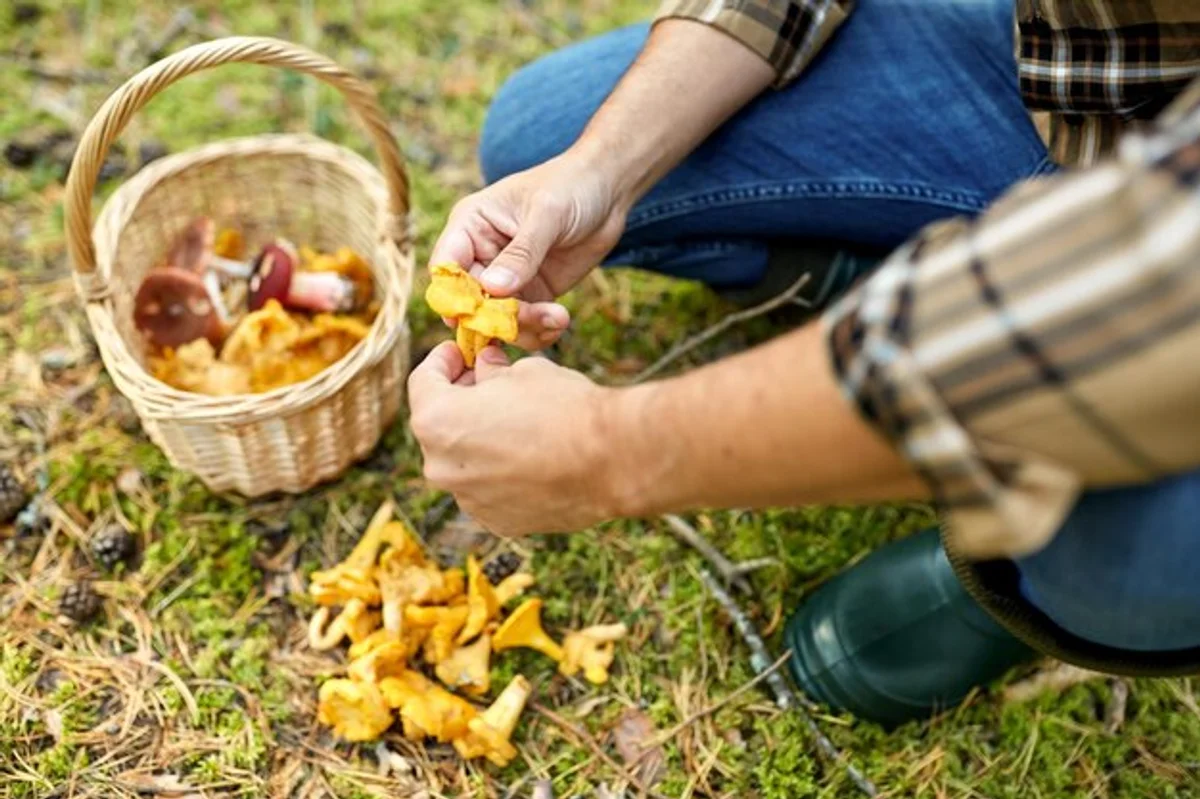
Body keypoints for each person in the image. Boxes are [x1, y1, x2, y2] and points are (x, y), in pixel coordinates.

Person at [408, 0, 1200, 724]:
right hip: (1080, 78)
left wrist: (601, 450)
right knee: (540, 135)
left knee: (1125, 530)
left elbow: (1138, 314)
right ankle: (882, 290)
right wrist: (600, 172)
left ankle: (1018, 580)